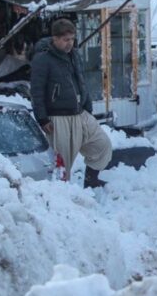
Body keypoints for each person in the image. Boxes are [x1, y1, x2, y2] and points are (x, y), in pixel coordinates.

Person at [30, 18, 112, 188]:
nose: (70, 43)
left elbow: (81, 81)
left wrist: (87, 106)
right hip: (57, 118)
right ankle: (62, 198)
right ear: (55, 38)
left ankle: (91, 181)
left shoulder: (74, 54)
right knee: (61, 164)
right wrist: (42, 118)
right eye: (66, 40)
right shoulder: (43, 59)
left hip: (80, 113)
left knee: (102, 145)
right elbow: (36, 91)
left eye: (72, 39)